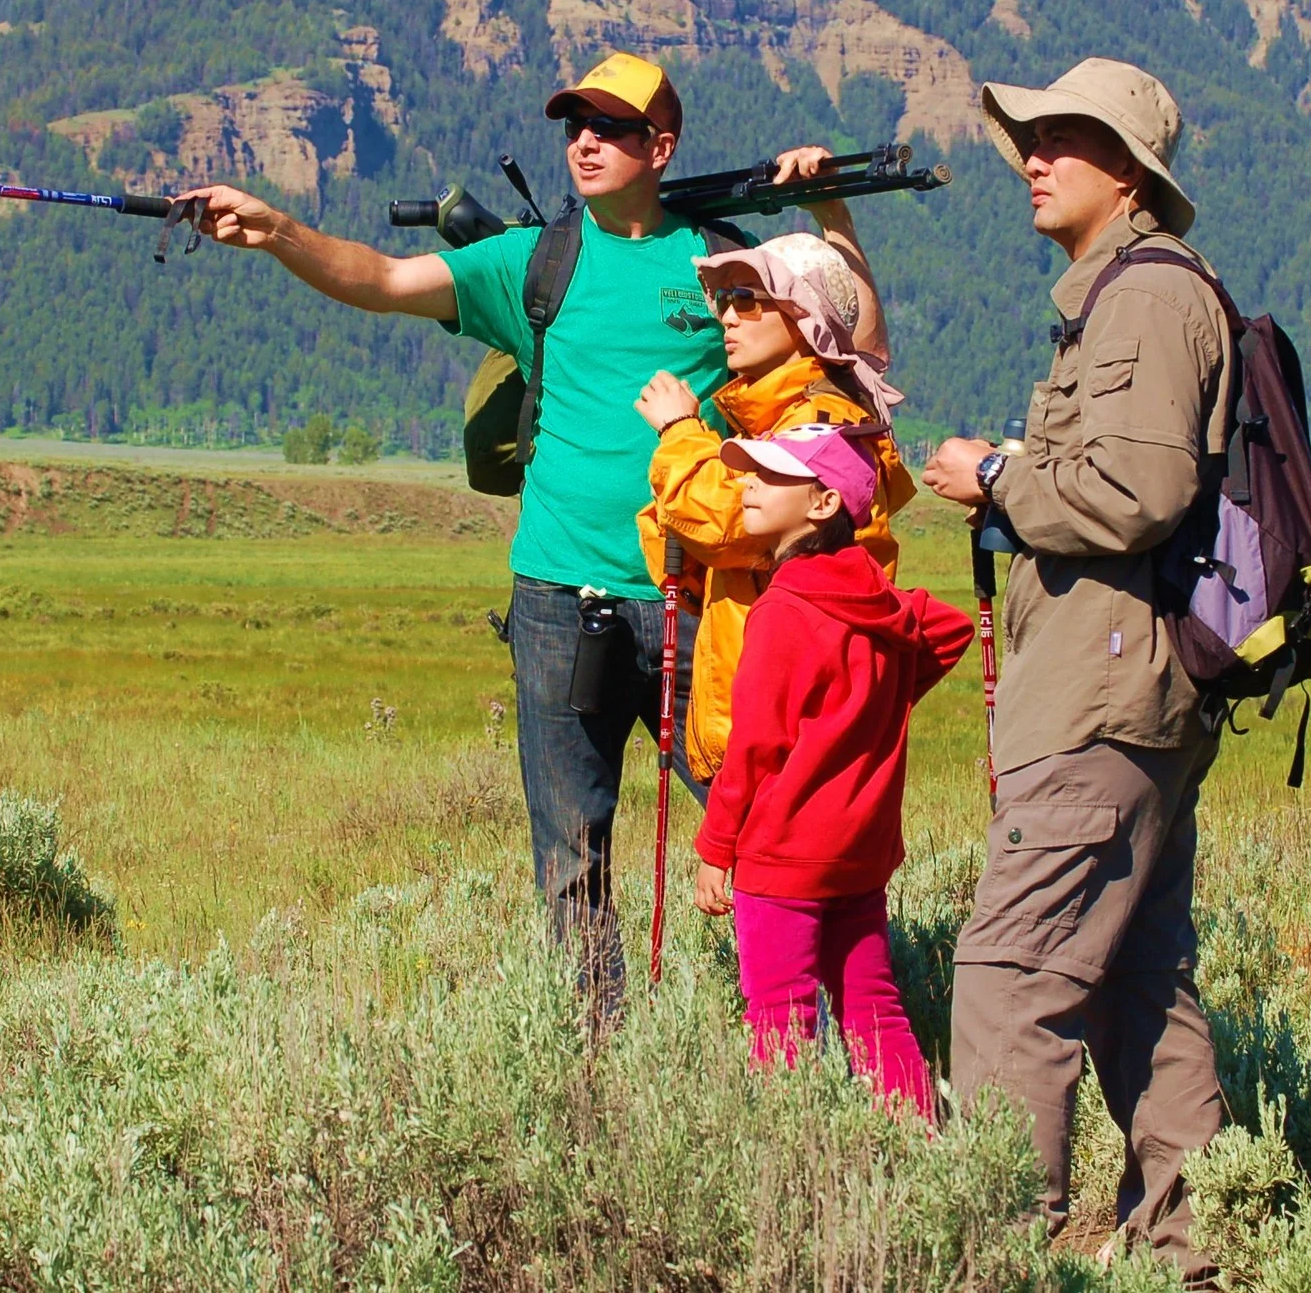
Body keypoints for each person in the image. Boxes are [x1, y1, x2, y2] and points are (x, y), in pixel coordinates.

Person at [176, 50, 883, 1014]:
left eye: (610, 128)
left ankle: (786, 1026)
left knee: (761, 824)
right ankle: (591, 1060)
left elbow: (854, 356)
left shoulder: (722, 262)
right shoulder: (534, 262)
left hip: (706, 597)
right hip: (558, 597)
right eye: (573, 126)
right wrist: (277, 230)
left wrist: (832, 213)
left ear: (660, 147)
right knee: (570, 859)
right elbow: (383, 278)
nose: (584, 142)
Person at [920, 57, 1233, 1282]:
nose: (1035, 156)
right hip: (1127, 697)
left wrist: (995, 482)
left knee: (1007, 985)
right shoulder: (1122, 295)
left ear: (1130, 172)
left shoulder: (1149, 298)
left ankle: (1001, 1252)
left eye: (1065, 137)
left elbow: (1141, 492)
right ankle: (1190, 1250)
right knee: (1136, 990)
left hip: (1101, 702)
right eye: (1033, 135)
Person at [691, 425, 971, 1117]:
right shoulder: (874, 600)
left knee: (780, 1019)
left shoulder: (785, 608)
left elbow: (754, 748)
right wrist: (876, 692)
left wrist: (714, 849)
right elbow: (950, 627)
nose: (747, 485)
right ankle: (924, 1150)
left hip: (782, 855)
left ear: (821, 504)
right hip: (858, 855)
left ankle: (795, 1175)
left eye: (769, 476)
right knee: (873, 1008)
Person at [632, 232, 917, 797]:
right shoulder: (775, 420)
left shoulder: (819, 423)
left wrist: (679, 433)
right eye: (724, 301)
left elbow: (731, 526)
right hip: (769, 713)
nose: (727, 318)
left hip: (784, 725)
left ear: (804, 317)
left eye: (747, 298)